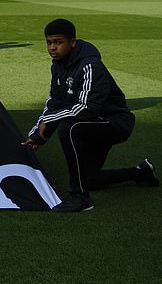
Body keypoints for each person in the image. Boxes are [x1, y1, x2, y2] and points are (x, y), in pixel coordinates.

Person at [21, 19, 159, 212]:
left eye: (58, 42)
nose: (52, 48)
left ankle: (79, 197)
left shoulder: (90, 65)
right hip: (91, 123)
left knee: (69, 128)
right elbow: (54, 102)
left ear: (72, 42)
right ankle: (140, 172)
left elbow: (87, 108)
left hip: (115, 121)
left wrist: (49, 121)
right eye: (49, 42)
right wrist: (38, 135)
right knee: (89, 179)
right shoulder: (58, 65)